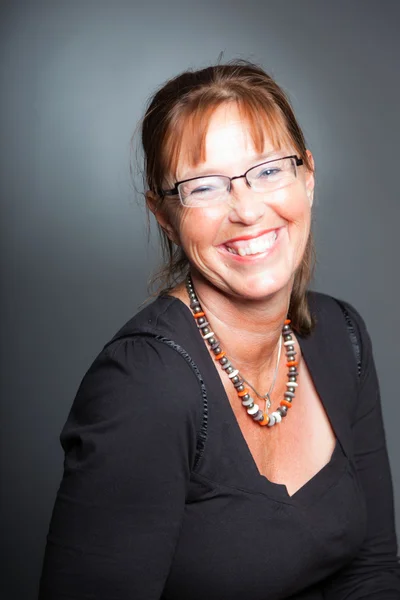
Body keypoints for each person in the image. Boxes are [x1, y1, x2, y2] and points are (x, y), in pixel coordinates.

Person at [38, 61, 400, 599]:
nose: (248, 210)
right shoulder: (143, 385)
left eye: (270, 170)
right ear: (165, 217)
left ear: (308, 178)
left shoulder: (341, 336)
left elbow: (370, 570)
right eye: (204, 187)